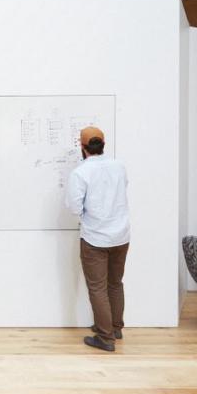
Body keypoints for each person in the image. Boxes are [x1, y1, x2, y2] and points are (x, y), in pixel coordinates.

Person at [65, 126, 130, 353]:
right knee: (115, 283)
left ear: (82, 147)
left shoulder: (80, 173)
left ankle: (105, 337)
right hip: (121, 236)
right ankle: (115, 327)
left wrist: (88, 214)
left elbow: (74, 207)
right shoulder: (119, 166)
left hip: (95, 238)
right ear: (103, 144)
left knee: (97, 288)